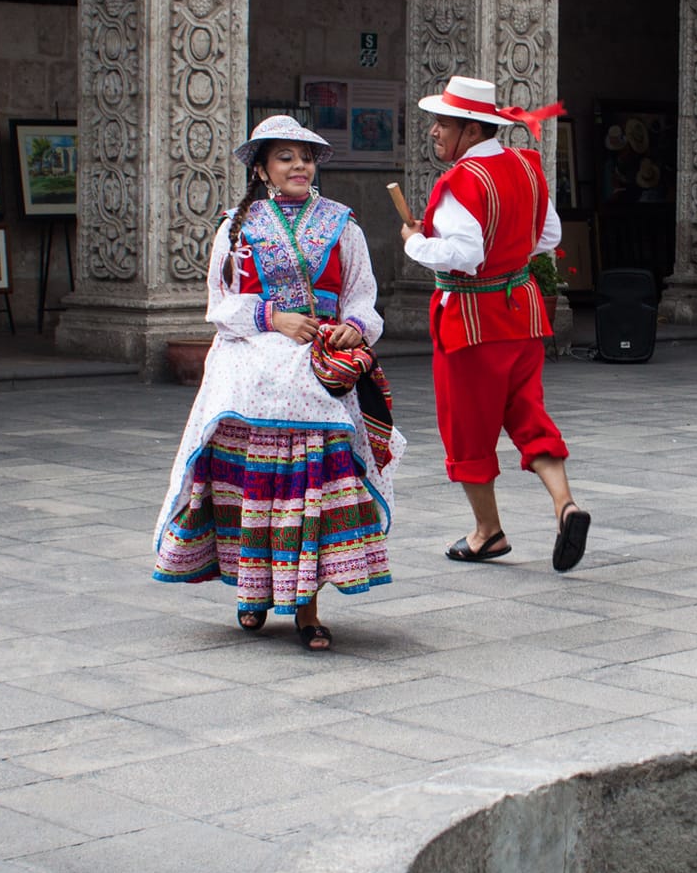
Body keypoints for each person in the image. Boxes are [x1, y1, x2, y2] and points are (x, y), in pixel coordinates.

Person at [152, 115, 402, 651]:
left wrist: (350, 327)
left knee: (307, 490)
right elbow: (220, 307)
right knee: (250, 488)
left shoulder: (343, 225)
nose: (299, 166)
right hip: (250, 375)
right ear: (263, 169)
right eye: (285, 157)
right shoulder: (236, 227)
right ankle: (252, 591)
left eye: (306, 156)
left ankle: (307, 607)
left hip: (315, 376)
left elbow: (362, 297)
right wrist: (274, 317)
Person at [399, 74, 590, 571]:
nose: (435, 132)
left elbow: (464, 254)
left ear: (470, 129)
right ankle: (564, 503)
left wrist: (414, 244)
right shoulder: (527, 167)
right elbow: (547, 235)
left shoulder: (462, 181)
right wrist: (509, 256)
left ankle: (488, 532)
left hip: (471, 322)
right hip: (523, 315)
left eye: (443, 123)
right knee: (528, 414)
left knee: (468, 428)